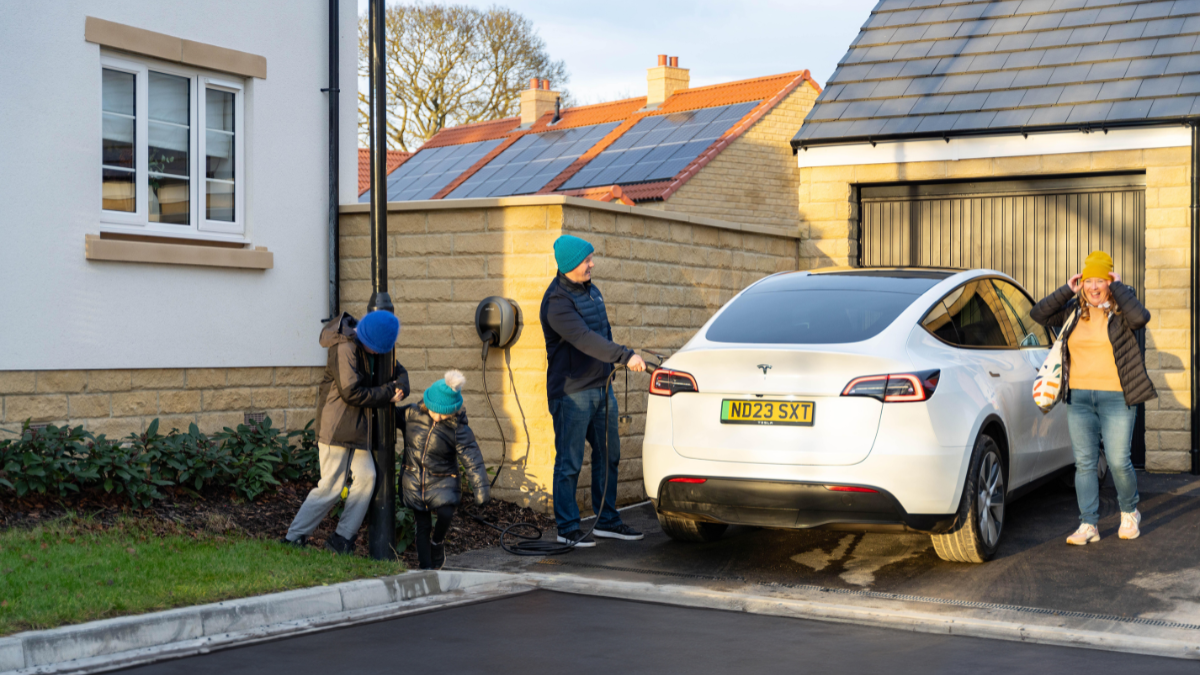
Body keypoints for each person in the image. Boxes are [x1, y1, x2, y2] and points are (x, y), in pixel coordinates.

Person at [1030, 251, 1156, 546]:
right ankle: (1088, 524)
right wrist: (1067, 290)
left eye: (1101, 280)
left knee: (1118, 461)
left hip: (1117, 398)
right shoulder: (1073, 310)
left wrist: (1120, 289)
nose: (1094, 286)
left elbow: (1142, 319)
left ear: (1110, 282)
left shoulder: (1123, 309)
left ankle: (1129, 512)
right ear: (1083, 282)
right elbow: (1039, 314)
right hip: (1079, 398)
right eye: (1089, 280)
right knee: (1085, 464)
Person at [540, 234, 646, 548]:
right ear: (572, 264)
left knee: (609, 455)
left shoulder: (591, 291)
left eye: (591, 258)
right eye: (587, 260)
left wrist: (611, 370)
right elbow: (585, 338)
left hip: (601, 389)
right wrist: (625, 356)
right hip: (572, 393)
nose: (592, 264)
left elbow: (603, 332)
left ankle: (607, 521)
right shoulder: (557, 302)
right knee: (570, 462)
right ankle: (568, 527)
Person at [280, 310, 409, 555]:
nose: (380, 355)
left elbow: (400, 373)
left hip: (359, 428)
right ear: (367, 340)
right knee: (331, 486)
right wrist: (388, 393)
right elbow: (351, 392)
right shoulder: (344, 347)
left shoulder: (378, 347)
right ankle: (294, 537)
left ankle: (342, 539)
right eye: (377, 350)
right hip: (337, 426)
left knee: (367, 477)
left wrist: (399, 387)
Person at [400, 370, 490, 570]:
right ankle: (426, 569)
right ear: (428, 404)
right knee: (422, 525)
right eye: (436, 412)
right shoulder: (411, 414)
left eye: (445, 413)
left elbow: (473, 459)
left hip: (443, 480)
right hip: (416, 481)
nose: (439, 418)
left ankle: (437, 542)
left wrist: (481, 491)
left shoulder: (458, 429)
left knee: (446, 513)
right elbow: (389, 417)